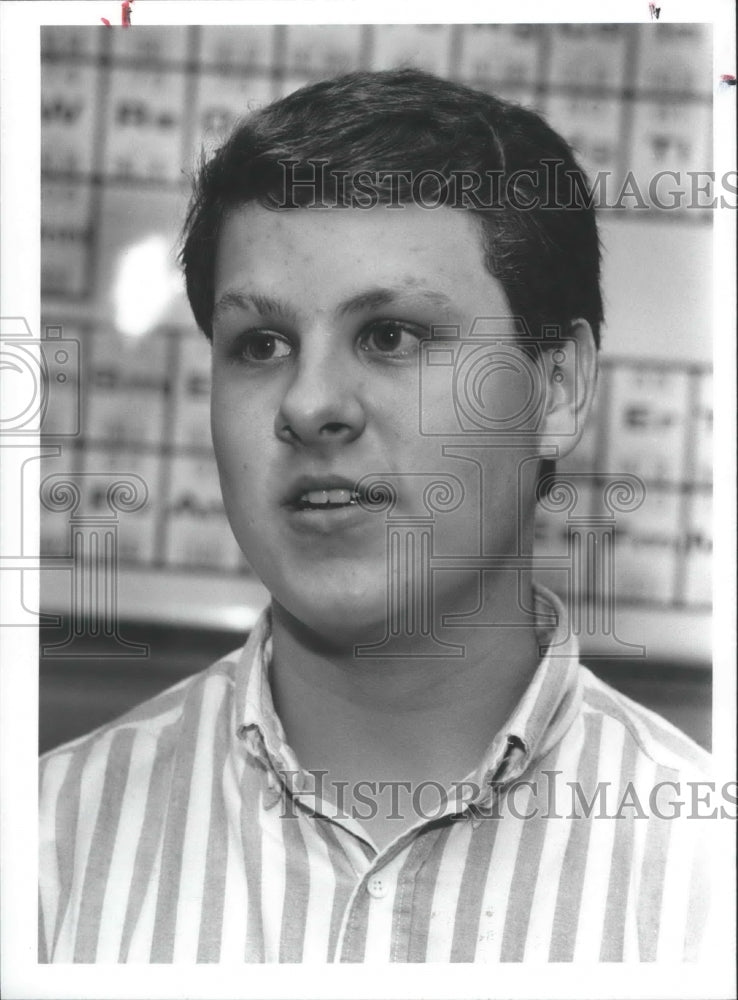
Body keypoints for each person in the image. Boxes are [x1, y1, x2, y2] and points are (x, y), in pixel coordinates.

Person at [39, 69, 712, 963]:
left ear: (556, 387)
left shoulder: (707, 875)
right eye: (261, 345)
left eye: (391, 334)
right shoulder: (48, 846)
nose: (311, 402)